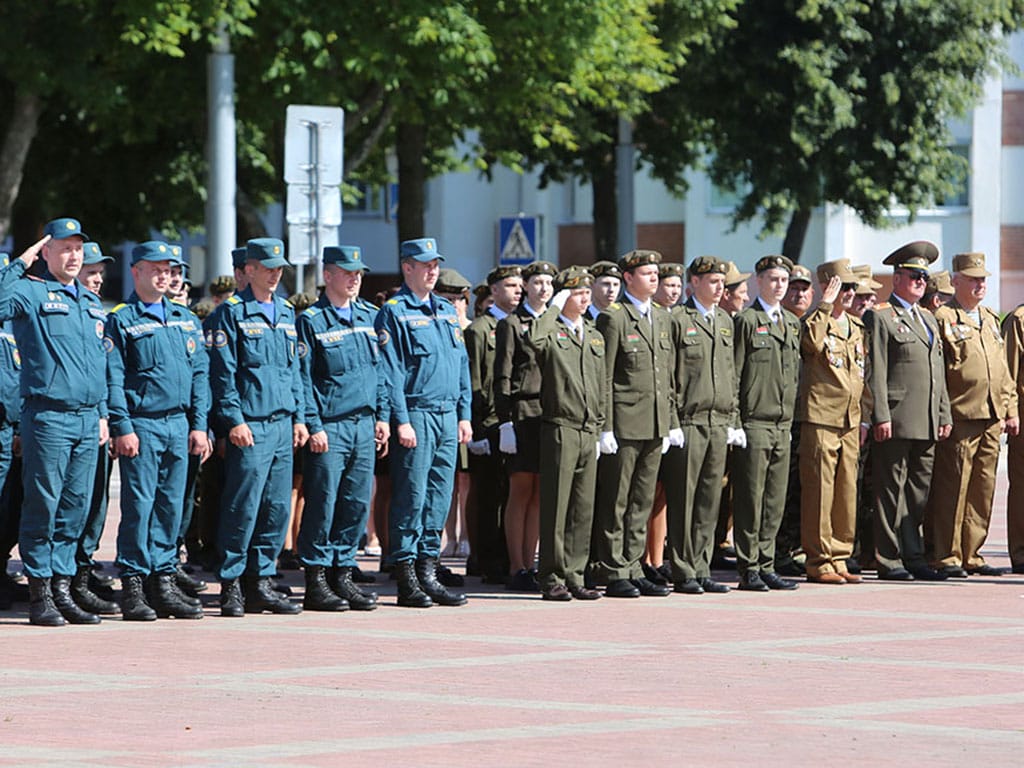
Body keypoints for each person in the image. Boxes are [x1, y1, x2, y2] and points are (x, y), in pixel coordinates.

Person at [0, 219, 109, 626]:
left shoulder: (89, 301)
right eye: (64, 247)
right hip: (48, 416)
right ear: (46, 252)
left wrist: (102, 414)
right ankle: (40, 592)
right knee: (43, 504)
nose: (74, 255)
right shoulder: (30, 291)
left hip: (85, 418)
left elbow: (98, 364)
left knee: (74, 506)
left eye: (78, 248)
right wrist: (18, 262)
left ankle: (63, 588)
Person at [106, 240, 210, 620]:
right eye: (156, 269)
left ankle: (162, 580)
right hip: (143, 425)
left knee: (171, 506)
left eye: (169, 270)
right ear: (136, 272)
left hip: (179, 425)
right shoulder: (122, 318)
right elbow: (114, 378)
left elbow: (200, 376)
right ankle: (134, 581)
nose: (164, 276)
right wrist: (122, 425)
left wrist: (199, 425)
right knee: (140, 506)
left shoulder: (186, 318)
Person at [207, 237, 308, 616]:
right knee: (242, 506)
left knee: (276, 507)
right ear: (248, 270)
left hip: (282, 423)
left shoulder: (285, 312)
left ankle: (261, 580)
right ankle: (232, 583)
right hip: (251, 424)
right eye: (268, 267)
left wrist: (299, 417)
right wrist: (233, 420)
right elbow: (223, 375)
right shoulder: (230, 313)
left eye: (279, 267)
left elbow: (294, 371)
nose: (275, 273)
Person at [374, 237, 473, 607]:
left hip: (447, 415)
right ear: (407, 268)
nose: (432, 271)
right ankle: (406, 575)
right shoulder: (395, 312)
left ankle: (429, 569)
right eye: (424, 265)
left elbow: (461, 367)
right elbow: (392, 373)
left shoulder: (446, 312)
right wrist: (401, 420)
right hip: (416, 413)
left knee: (438, 496)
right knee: (411, 496)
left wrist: (464, 414)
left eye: (435, 265)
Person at [296, 245, 388, 611]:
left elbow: (379, 372)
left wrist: (381, 416)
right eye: (347, 273)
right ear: (328, 275)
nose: (354, 279)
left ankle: (343, 572)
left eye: (358, 274)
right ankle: (316, 578)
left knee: (354, 502)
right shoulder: (311, 321)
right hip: (330, 426)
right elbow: (303, 379)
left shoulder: (369, 316)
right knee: (324, 501)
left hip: (363, 424)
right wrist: (313, 424)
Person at [591, 249, 680, 598]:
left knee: (642, 499)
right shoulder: (614, 318)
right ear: (628, 278)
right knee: (618, 499)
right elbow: (605, 377)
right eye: (647, 273)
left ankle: (633, 564)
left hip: (655, 422)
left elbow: (666, 376)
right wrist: (606, 426)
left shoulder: (660, 317)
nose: (654, 278)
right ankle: (613, 569)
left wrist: (670, 421)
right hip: (625, 423)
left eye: (656, 273)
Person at [925, 252, 1017, 577]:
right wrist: (940, 414)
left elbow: (1003, 370)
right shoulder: (943, 317)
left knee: (983, 487)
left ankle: (972, 553)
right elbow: (936, 372)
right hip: (961, 414)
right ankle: (947, 555)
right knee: (954, 487)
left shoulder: (990, 318)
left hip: (992, 414)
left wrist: (1010, 409)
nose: (980, 285)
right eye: (973, 279)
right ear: (956, 281)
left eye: (983, 279)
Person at [864, 241, 952, 581]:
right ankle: (888, 559)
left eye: (923, 277)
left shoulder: (929, 318)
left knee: (917, 494)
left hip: (927, 418)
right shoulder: (882, 316)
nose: (920, 282)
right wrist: (881, 415)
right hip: (898, 418)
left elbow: (938, 373)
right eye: (913, 275)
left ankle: (914, 556)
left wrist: (943, 414)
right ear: (896, 278)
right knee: (890, 490)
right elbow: (877, 371)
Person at [527, 266, 605, 601]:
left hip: (589, 429)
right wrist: (553, 308)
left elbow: (603, 385)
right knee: (557, 506)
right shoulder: (552, 331)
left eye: (588, 292)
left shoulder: (594, 333)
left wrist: (603, 428)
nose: (585, 298)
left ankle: (575, 573)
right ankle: (551, 576)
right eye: (577, 292)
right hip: (561, 426)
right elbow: (534, 340)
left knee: (582, 508)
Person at [664, 256, 739, 595]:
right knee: (684, 498)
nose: (719, 286)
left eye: (721, 281)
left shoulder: (724, 319)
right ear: (693, 282)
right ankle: (682, 568)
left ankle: (701, 565)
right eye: (712, 280)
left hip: (719, 420)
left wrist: (734, 419)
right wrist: (670, 421)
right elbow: (667, 374)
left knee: (711, 498)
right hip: (689, 420)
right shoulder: (679, 319)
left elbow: (731, 375)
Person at [731, 255, 801, 591]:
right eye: (773, 279)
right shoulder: (746, 320)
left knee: (774, 499)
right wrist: (736, 421)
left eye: (783, 280)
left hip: (781, 423)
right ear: (759, 281)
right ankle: (749, 566)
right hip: (754, 421)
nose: (779, 286)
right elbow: (734, 373)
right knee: (751, 497)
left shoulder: (791, 322)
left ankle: (767, 562)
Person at [798, 259, 866, 585]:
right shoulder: (816, 320)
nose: (851, 293)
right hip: (821, 416)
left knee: (845, 490)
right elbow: (810, 343)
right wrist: (824, 304)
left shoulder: (856, 326)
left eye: (853, 287)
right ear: (829, 287)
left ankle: (840, 555)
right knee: (820, 491)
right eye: (844, 287)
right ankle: (819, 559)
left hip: (850, 419)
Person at [494, 261, 556, 591]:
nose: (543, 288)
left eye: (548, 282)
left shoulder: (556, 322)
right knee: (520, 490)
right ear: (526, 287)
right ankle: (515, 565)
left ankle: (530, 563)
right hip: (521, 410)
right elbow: (502, 377)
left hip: (549, 413)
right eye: (536, 282)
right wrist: (504, 422)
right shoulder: (512, 324)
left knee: (540, 495)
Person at [71, 241, 121, 615]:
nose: (98, 280)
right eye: (91, 272)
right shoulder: (57, 309)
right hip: (62, 420)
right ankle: (65, 577)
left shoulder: (98, 313)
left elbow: (104, 374)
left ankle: (82, 570)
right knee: (67, 504)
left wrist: (107, 416)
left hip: (97, 419)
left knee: (95, 502)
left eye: (101, 273)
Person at [465, 265, 522, 586]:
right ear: (494, 291)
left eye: (519, 285)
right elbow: (474, 382)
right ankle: (489, 560)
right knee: (490, 496)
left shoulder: (521, 325)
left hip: (513, 422)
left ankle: (508, 555)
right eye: (510, 285)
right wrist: (475, 429)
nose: (517, 291)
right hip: (487, 424)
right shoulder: (479, 330)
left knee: (510, 492)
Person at [645, 262, 685, 584]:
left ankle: (658, 558)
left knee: (665, 496)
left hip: (677, 419)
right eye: (667, 285)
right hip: (653, 417)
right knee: (649, 491)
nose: (672, 291)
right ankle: (644, 558)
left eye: (676, 286)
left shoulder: (681, 319)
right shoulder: (651, 319)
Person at [1001, 298, 1024, 575]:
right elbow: (1007, 371)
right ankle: (1020, 552)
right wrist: (1010, 411)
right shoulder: (1019, 320)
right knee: (1022, 487)